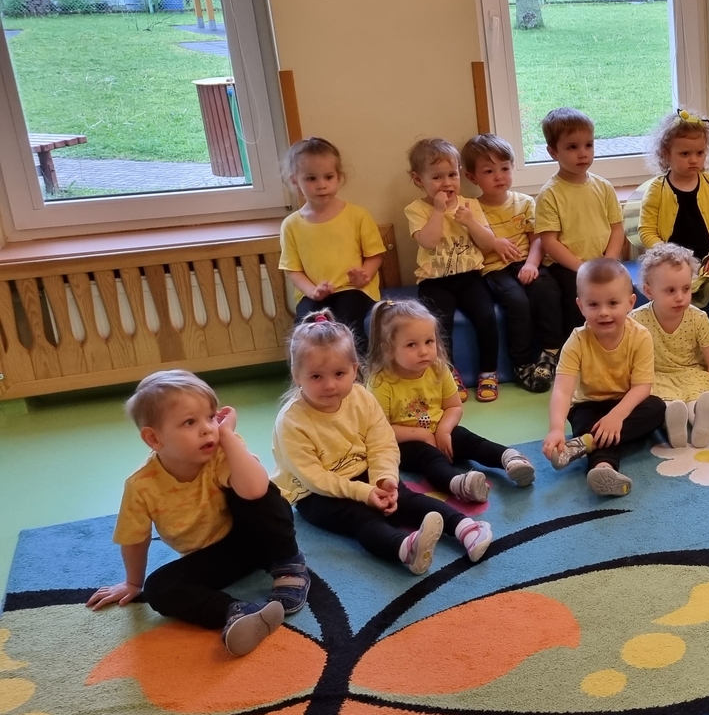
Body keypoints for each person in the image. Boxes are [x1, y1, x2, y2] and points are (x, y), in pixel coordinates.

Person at [89, 370, 307, 657]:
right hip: (215, 559)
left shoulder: (223, 450)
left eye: (211, 417)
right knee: (157, 588)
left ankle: (290, 564)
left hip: (263, 537)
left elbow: (256, 490)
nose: (208, 429)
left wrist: (227, 435)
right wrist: (133, 582)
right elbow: (135, 539)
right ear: (154, 438)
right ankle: (236, 612)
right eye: (190, 422)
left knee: (258, 491)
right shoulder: (141, 486)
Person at [272, 312, 492, 576]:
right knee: (361, 519)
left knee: (405, 498)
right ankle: (405, 549)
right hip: (314, 493)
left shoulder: (362, 398)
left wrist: (384, 479)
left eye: (339, 373)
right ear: (297, 375)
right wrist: (364, 493)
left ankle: (466, 528)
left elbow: (382, 443)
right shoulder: (291, 421)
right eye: (316, 377)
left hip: (362, 470)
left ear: (355, 369)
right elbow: (313, 477)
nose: (329, 385)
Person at [365, 299, 537, 506]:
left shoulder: (437, 369)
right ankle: (459, 484)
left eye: (429, 341)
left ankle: (510, 457)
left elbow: (454, 406)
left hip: (439, 432)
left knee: (469, 440)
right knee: (429, 458)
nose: (423, 351)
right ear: (388, 350)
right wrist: (422, 434)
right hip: (403, 444)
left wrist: (444, 430)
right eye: (411, 345)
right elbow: (380, 430)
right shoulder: (381, 382)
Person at [541, 258, 668, 497]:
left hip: (626, 403)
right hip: (588, 406)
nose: (604, 312)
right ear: (580, 306)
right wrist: (556, 429)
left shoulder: (641, 336)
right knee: (591, 424)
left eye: (612, 303)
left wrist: (616, 416)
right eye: (593, 304)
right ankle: (603, 468)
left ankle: (585, 445)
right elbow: (562, 390)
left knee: (657, 408)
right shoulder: (576, 341)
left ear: (630, 303)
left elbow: (642, 387)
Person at [405, 138, 502, 403]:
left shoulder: (470, 205)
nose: (446, 183)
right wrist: (438, 211)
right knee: (439, 325)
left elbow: (488, 244)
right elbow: (428, 241)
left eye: (452, 174)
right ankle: (448, 374)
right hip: (434, 281)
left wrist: (471, 222)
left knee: (486, 317)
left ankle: (488, 371)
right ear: (418, 180)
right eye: (437, 177)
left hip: (470, 277)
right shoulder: (416, 209)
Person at [466, 133, 561, 393]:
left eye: (505, 168)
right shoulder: (472, 209)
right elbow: (476, 245)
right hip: (495, 269)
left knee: (547, 290)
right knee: (517, 302)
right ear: (472, 177)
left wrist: (531, 264)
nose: (499, 176)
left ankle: (551, 351)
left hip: (526, 262)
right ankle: (522, 363)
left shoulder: (525, 202)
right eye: (489, 171)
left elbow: (538, 239)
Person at [277, 137, 385, 353]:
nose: (321, 185)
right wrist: (313, 292)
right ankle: (311, 371)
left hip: (354, 290)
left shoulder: (357, 215)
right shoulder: (291, 225)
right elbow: (293, 270)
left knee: (347, 323)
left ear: (338, 177)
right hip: (313, 294)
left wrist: (364, 276)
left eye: (328, 177)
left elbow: (375, 255)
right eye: (311, 178)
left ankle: (356, 370)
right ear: (295, 181)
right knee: (305, 329)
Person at [536, 107, 626, 345]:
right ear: (553, 152)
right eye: (572, 147)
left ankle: (619, 346)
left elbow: (617, 228)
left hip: (603, 261)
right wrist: (581, 267)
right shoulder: (550, 193)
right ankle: (577, 350)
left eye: (588, 145)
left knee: (623, 295)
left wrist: (609, 259)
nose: (583, 153)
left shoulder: (604, 186)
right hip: (568, 267)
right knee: (577, 302)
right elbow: (549, 241)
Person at [638, 109, 709, 321]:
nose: (694, 160)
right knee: (678, 299)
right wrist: (667, 256)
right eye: (685, 154)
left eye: (700, 153)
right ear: (666, 154)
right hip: (672, 265)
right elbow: (646, 231)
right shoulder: (656, 190)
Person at [633, 243, 709, 449]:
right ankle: (673, 425)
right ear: (649, 291)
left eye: (686, 289)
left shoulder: (698, 318)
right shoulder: (637, 320)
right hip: (656, 376)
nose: (680, 297)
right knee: (662, 405)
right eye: (670, 290)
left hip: (693, 373)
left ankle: (700, 423)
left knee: (698, 401)